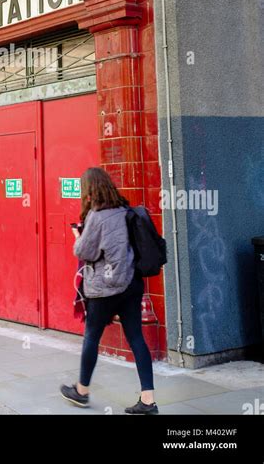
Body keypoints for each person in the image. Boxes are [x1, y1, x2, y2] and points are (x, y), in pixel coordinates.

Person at [60, 167, 158, 414]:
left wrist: (77, 235)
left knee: (92, 336)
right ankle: (148, 400)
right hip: (131, 285)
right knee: (136, 338)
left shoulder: (97, 216)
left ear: (90, 190)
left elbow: (85, 252)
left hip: (104, 288)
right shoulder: (125, 210)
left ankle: (81, 391)